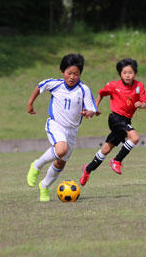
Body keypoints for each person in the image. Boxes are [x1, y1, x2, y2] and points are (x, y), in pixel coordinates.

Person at [26, 54, 97, 201]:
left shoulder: (84, 89)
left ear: (80, 74)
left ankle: (44, 187)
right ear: (62, 72)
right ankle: (37, 165)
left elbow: (92, 109)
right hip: (56, 125)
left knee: (60, 162)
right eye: (69, 73)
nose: (72, 77)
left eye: (76, 74)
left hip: (72, 131)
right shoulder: (55, 84)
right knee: (61, 149)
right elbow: (40, 86)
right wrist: (30, 103)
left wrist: (88, 113)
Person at [80, 58, 146, 186]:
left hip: (126, 120)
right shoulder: (113, 86)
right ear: (120, 74)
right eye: (125, 73)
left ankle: (88, 169)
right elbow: (101, 94)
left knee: (106, 149)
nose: (128, 75)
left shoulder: (139, 86)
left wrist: (141, 105)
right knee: (134, 138)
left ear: (135, 73)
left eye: (131, 72)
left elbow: (144, 103)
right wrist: (94, 109)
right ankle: (117, 161)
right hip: (115, 118)